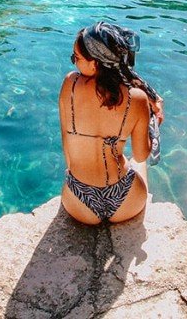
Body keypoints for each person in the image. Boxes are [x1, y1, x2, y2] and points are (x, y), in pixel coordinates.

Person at [59, 22, 164, 225]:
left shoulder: (69, 84)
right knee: (134, 163)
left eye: (77, 58)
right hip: (126, 201)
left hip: (78, 202)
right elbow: (142, 155)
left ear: (95, 63)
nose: (74, 63)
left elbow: (67, 145)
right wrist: (155, 122)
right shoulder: (137, 98)